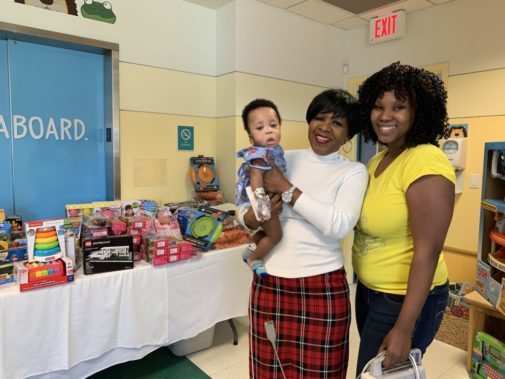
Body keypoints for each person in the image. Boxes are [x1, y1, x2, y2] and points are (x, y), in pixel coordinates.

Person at [238, 89, 368, 378]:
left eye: (336, 123)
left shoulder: (353, 172)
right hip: (270, 283)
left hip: (322, 287)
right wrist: (256, 215)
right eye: (319, 118)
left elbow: (339, 224)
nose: (324, 128)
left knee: (321, 372)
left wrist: (286, 189)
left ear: (349, 134)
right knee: (268, 371)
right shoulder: (282, 158)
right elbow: (244, 215)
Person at [352, 61, 456, 375]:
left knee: (378, 373)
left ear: (419, 111)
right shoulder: (380, 160)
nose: (385, 115)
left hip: (404, 300)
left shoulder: (425, 160)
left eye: (398, 106)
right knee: (374, 374)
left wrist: (404, 327)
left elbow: (428, 251)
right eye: (378, 106)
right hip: (370, 292)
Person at [236, 99, 286, 278]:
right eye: (260, 128)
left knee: (264, 233)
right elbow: (256, 179)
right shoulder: (259, 155)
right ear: (251, 138)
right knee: (275, 236)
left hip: (270, 200)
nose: (268, 130)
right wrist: (263, 208)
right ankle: (255, 259)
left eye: (273, 125)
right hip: (265, 204)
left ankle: (249, 250)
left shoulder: (275, 151)